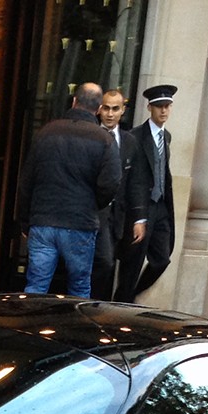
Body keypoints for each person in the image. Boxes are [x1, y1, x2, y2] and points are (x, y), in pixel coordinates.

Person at [17, 82, 121, 298]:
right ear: (100, 108)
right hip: (80, 221)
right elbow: (111, 183)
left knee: (36, 285)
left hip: (44, 220)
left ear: (74, 101)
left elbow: (26, 180)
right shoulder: (104, 139)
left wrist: (25, 219)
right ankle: (75, 330)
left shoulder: (46, 132)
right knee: (79, 287)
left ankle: (28, 328)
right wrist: (93, 205)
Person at [114, 83, 176, 301]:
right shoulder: (135, 136)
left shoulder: (166, 137)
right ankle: (123, 301)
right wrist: (137, 216)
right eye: (159, 106)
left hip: (161, 207)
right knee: (132, 262)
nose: (164, 111)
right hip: (141, 207)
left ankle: (133, 295)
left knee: (162, 258)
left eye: (167, 106)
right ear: (150, 108)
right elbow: (133, 180)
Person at [92, 88, 145, 301]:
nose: (110, 114)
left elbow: (135, 182)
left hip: (117, 215)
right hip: (92, 212)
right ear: (99, 109)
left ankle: (99, 309)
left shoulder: (130, 141)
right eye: (106, 108)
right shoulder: (91, 135)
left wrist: (139, 218)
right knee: (100, 262)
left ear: (123, 110)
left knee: (109, 264)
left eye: (115, 109)